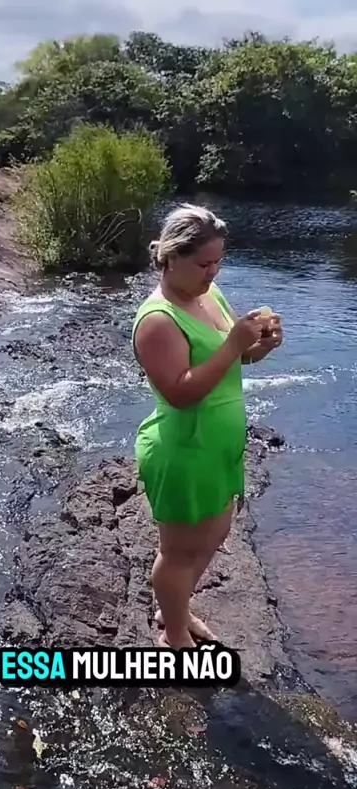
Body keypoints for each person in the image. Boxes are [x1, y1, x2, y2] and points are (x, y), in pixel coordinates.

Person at [132, 204, 283, 649]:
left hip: (219, 446)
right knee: (179, 553)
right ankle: (174, 634)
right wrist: (235, 343)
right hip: (185, 449)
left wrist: (259, 347)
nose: (213, 272)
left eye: (218, 261)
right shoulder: (157, 320)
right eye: (203, 263)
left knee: (216, 533)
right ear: (170, 257)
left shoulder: (208, 295)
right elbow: (180, 392)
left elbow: (233, 358)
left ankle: (174, 607)